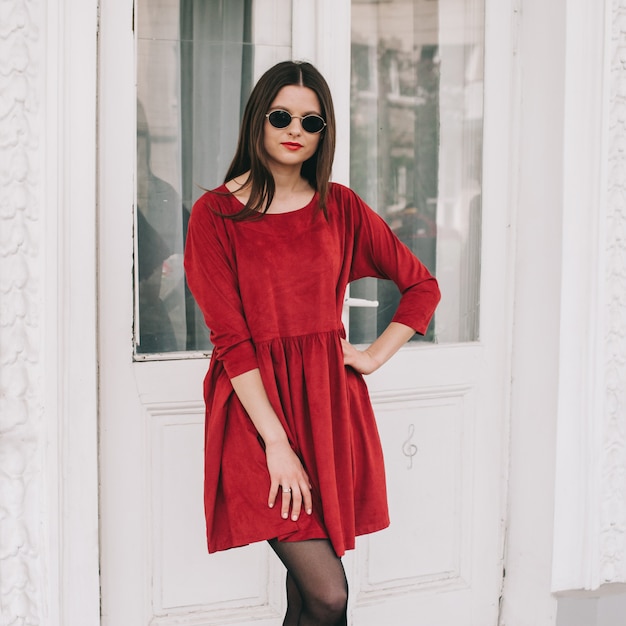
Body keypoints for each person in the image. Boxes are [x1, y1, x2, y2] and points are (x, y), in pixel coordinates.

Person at [184, 60, 440, 626]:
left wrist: (372, 356)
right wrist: (276, 443)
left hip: (326, 409)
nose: (294, 129)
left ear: (324, 132)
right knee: (328, 596)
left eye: (311, 120)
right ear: (258, 121)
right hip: (256, 417)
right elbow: (233, 340)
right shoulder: (215, 216)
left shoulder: (339, 207)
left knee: (307, 597)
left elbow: (422, 285)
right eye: (281, 116)